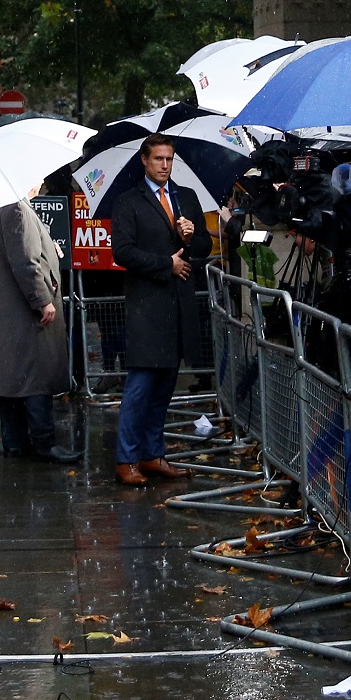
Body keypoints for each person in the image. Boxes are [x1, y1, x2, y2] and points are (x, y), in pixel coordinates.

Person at [110, 135, 212, 486]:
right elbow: (121, 252)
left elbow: (203, 247)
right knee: (140, 388)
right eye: (158, 159)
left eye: (169, 159)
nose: (165, 166)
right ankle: (126, 459)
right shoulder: (128, 202)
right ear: (144, 160)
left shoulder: (187, 197)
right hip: (147, 307)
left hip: (179, 306)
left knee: (166, 387)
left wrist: (191, 235)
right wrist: (163, 264)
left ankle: (153, 455)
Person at [0, 189, 79, 463]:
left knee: (13, 380)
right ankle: (44, 442)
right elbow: (25, 261)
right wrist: (42, 300)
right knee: (36, 375)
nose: (43, 183)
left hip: (7, 312)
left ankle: (15, 442)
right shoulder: (16, 208)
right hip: (23, 312)